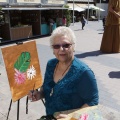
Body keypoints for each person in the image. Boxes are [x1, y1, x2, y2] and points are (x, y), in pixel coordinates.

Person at [28, 26, 99, 119]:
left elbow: (92, 102)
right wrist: (39, 94)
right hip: (51, 116)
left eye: (66, 45)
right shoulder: (51, 64)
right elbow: (46, 89)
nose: (61, 49)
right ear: (53, 49)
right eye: (56, 46)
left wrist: (72, 117)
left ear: (73, 47)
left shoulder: (84, 73)